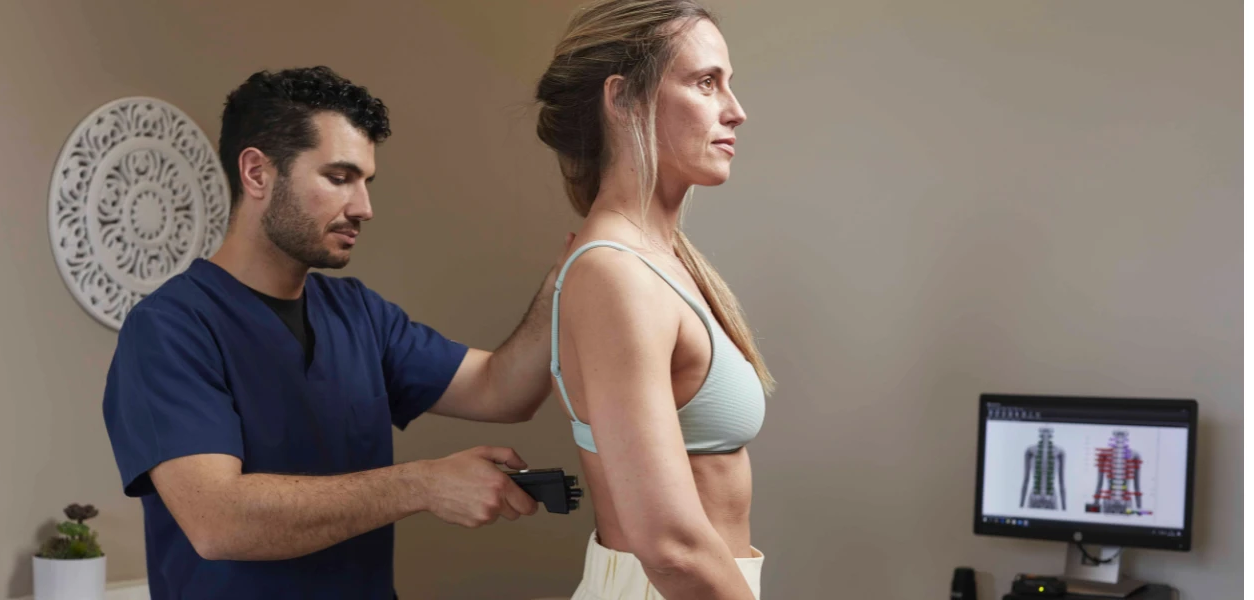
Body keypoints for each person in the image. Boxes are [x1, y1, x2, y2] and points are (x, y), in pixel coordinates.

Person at [102, 66, 573, 600]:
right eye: (339, 177)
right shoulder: (169, 329)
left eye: (366, 182)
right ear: (257, 173)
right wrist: (422, 484)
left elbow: (502, 390)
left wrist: (565, 283)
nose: (364, 208)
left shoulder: (358, 313)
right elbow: (218, 521)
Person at [534, 1, 775, 599]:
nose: (736, 110)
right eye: (705, 83)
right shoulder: (617, 275)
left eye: (728, 83)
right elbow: (670, 547)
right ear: (622, 99)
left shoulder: (658, 262)